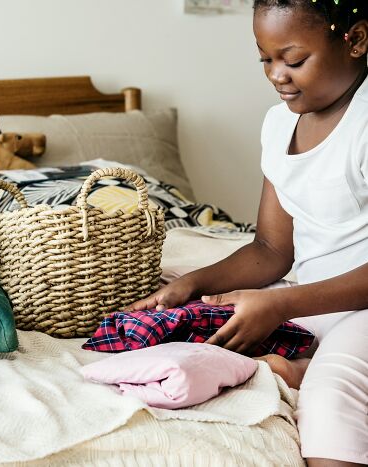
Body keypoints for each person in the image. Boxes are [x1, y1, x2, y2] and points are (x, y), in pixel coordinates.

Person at [128, 1, 368, 465]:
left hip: (358, 305)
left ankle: (310, 374)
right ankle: (299, 367)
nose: (277, 74)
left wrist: (280, 303)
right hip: (315, 299)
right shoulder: (278, 125)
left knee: (331, 402)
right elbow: (272, 248)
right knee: (184, 332)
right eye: (266, 58)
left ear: (355, 41)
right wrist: (193, 283)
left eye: (294, 60)